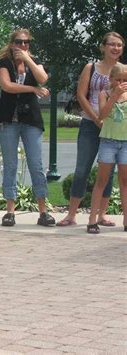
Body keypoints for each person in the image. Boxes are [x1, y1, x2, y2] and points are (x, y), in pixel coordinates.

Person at [57, 32, 125, 227]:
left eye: (119, 45)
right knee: (82, 169)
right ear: (103, 47)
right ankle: (71, 215)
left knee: (108, 172)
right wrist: (96, 119)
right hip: (90, 124)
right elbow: (81, 95)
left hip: (114, 129)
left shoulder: (124, 69)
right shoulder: (91, 67)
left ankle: (101, 215)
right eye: (112, 44)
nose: (116, 48)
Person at [0, 28, 54, 227]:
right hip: (8, 119)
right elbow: (7, 86)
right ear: (12, 44)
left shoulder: (34, 62)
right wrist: (33, 89)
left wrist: (28, 60)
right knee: (10, 164)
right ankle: (10, 211)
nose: (23, 45)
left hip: (31, 121)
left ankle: (43, 212)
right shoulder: (4, 63)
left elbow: (43, 78)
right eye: (19, 42)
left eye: (26, 42)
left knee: (36, 164)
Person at [87, 63, 127, 234]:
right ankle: (92, 220)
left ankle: (126, 219)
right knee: (102, 180)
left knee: (125, 182)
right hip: (108, 142)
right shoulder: (105, 93)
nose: (122, 83)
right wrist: (114, 96)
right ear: (111, 79)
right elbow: (101, 115)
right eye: (118, 80)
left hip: (125, 142)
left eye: (125, 80)